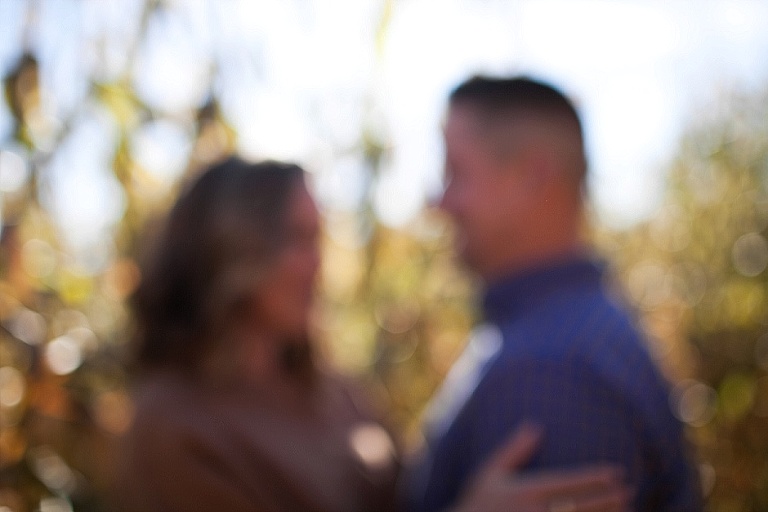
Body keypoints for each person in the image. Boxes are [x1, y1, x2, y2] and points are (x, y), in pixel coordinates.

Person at [111, 156, 631, 512]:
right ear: (230, 253)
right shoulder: (174, 428)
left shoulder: (334, 391)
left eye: (320, 238)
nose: (317, 265)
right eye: (296, 239)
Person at [405, 75, 703, 512]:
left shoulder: (548, 372)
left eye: (456, 171)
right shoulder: (570, 331)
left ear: (532, 176)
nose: (438, 202)